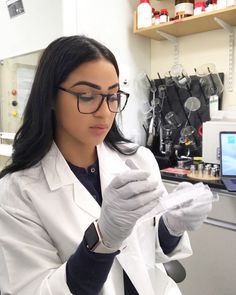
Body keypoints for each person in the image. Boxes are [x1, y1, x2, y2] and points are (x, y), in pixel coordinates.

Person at [0, 35, 212, 295]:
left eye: (112, 96)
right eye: (87, 96)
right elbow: (36, 290)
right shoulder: (17, 192)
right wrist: (103, 239)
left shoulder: (137, 160)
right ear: (51, 98)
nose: (105, 112)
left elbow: (149, 251)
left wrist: (172, 226)